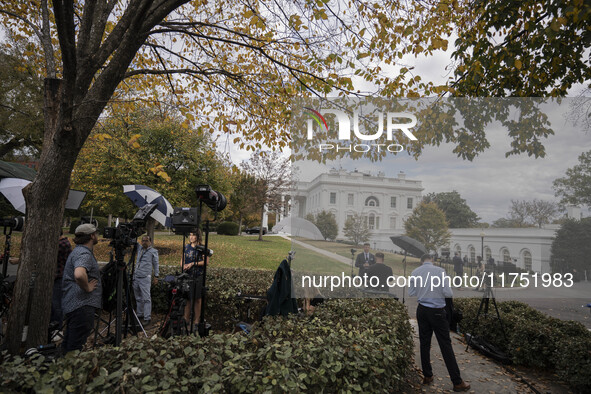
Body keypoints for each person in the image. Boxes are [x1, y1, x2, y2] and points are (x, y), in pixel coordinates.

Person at [409, 254, 470, 392]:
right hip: (436, 310)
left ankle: (427, 375)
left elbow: (412, 292)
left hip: (422, 310)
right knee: (445, 345)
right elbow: (447, 292)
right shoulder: (440, 271)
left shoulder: (415, 272)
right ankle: (457, 381)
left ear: (421, 260)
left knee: (424, 343)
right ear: (432, 260)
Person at [61, 224, 102, 354]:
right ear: (91, 236)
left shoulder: (78, 251)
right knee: (75, 347)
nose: (98, 235)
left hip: (75, 305)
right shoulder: (84, 253)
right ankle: (71, 371)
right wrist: (87, 287)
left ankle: (62, 369)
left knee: (69, 343)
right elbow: (79, 274)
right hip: (82, 305)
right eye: (96, 233)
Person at [133, 235, 159, 326]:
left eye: (146, 241)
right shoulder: (140, 249)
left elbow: (156, 264)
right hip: (136, 277)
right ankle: (140, 315)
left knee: (146, 299)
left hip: (145, 278)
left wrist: (156, 276)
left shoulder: (153, 252)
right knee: (138, 297)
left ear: (150, 242)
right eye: (143, 240)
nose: (144, 242)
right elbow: (133, 241)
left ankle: (147, 317)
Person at [182, 230, 206, 329]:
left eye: (193, 235)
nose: (191, 237)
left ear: (198, 236)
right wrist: (183, 266)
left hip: (198, 275)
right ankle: (186, 319)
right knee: (187, 298)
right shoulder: (186, 247)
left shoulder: (202, 248)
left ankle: (197, 319)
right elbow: (182, 259)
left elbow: (205, 262)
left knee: (197, 299)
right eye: (190, 235)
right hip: (187, 275)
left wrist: (192, 264)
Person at [50, 232, 72, 327]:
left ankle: (57, 327)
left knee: (57, 304)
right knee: (54, 303)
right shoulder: (63, 242)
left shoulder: (62, 244)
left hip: (60, 277)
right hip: (58, 276)